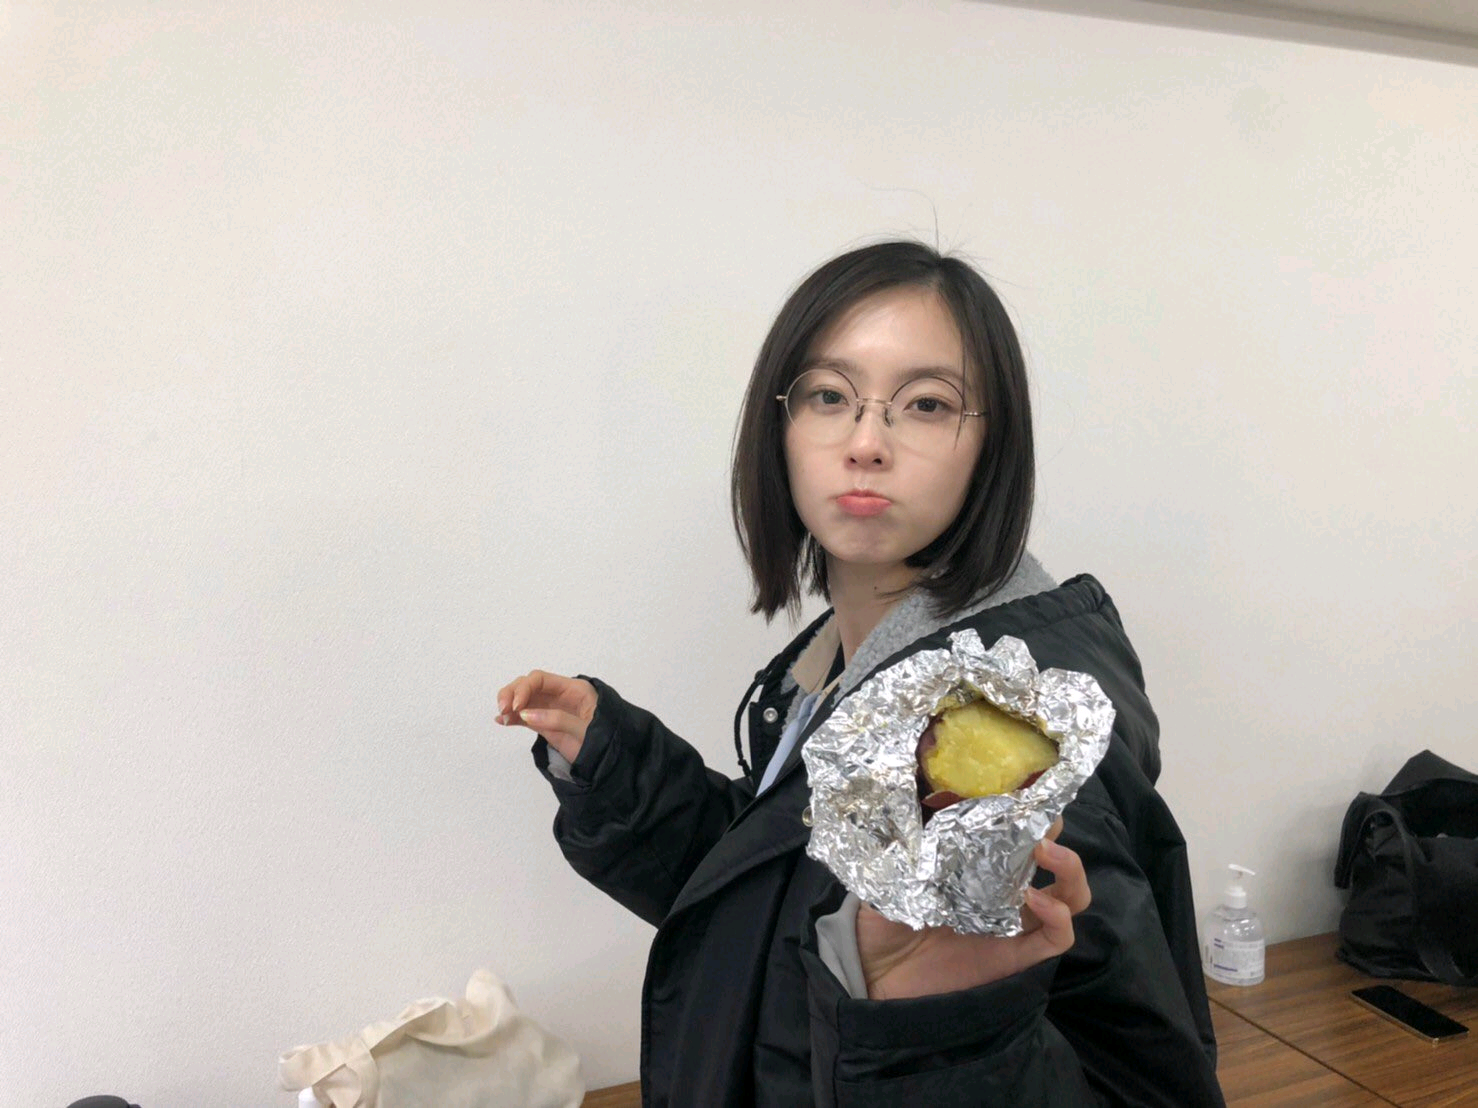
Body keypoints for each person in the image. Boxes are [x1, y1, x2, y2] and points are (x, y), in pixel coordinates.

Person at [496, 241, 1225, 1106]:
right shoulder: (849, 668)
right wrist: (622, 773)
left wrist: (940, 1030)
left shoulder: (1000, 740)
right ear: (779, 427)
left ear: (993, 445)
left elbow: (1145, 1089)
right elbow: (776, 904)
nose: (867, 442)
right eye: (829, 396)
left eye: (927, 405)